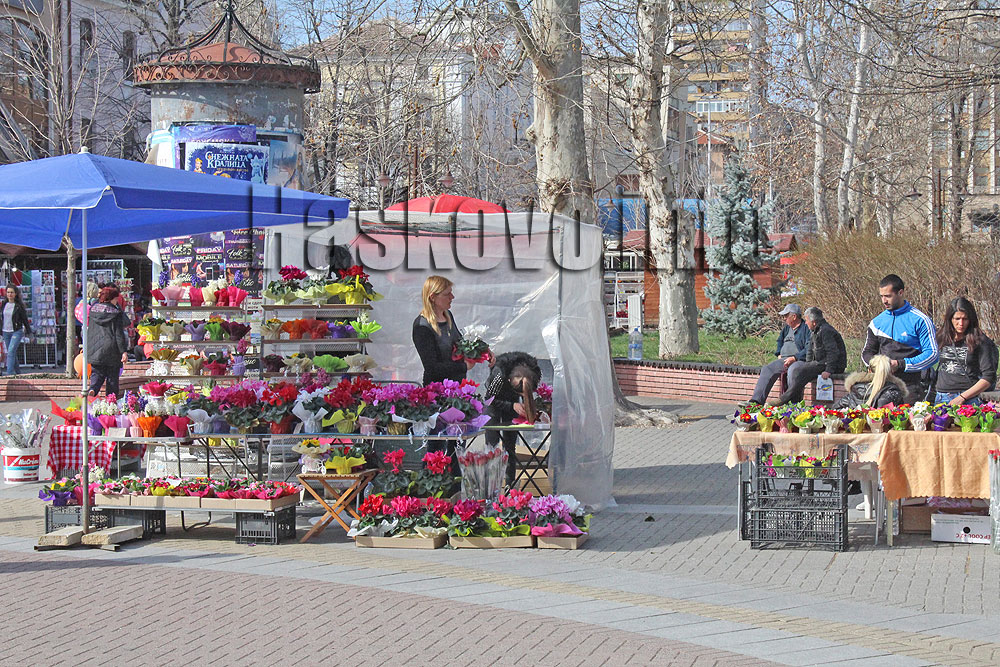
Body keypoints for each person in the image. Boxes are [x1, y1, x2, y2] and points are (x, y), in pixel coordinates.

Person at [861, 274, 938, 402]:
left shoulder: (921, 320)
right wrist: (875, 364)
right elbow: (867, 352)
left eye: (888, 296)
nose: (884, 301)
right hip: (882, 386)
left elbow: (932, 354)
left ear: (900, 293)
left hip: (911, 387)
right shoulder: (876, 322)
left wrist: (900, 364)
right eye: (881, 296)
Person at [484, 351, 542, 488]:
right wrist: (512, 406)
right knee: (491, 446)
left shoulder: (533, 371)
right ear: (509, 381)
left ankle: (510, 486)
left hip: (513, 402)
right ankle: (491, 487)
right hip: (495, 401)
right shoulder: (499, 374)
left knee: (510, 446)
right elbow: (488, 399)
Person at [771, 306, 847, 405]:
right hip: (821, 362)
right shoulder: (815, 331)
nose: (805, 323)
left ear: (814, 322)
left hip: (832, 365)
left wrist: (829, 370)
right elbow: (810, 351)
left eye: (807, 320)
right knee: (799, 370)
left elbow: (832, 352)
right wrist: (807, 364)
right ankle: (793, 402)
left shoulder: (826, 331)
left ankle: (786, 400)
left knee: (799, 371)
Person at [933, 297, 998, 405]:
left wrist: (962, 397)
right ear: (950, 319)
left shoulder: (980, 341)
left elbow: (988, 377)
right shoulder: (940, 338)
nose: (961, 323)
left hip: (969, 398)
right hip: (942, 396)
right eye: (957, 319)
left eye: (965, 319)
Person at [748, 304, 811, 405]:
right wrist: (778, 353)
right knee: (767, 369)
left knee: (793, 371)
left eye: (786, 316)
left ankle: (793, 404)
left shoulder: (806, 328)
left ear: (794, 316)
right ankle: (756, 401)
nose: (784, 318)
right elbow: (779, 341)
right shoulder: (786, 328)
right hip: (784, 359)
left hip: (799, 360)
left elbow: (809, 348)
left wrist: (795, 357)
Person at [87, 285, 129, 397]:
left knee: (97, 373)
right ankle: (111, 400)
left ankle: (93, 388)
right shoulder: (115, 313)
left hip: (94, 347)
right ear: (112, 298)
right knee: (112, 378)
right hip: (111, 348)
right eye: (116, 298)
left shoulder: (93, 310)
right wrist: (123, 351)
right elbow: (119, 334)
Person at [834, 355, 907, 409]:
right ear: (891, 371)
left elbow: (835, 408)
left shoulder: (856, 388)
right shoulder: (893, 391)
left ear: (869, 370)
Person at [0, 285, 31, 376]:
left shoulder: (19, 306)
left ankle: (9, 374)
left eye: (12, 292)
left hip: (16, 331)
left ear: (16, 294)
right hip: (5, 331)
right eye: (8, 292)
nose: (10, 294)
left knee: (10, 352)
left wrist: (29, 332)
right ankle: (18, 373)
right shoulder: (4, 304)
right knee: (12, 352)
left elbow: (25, 319)